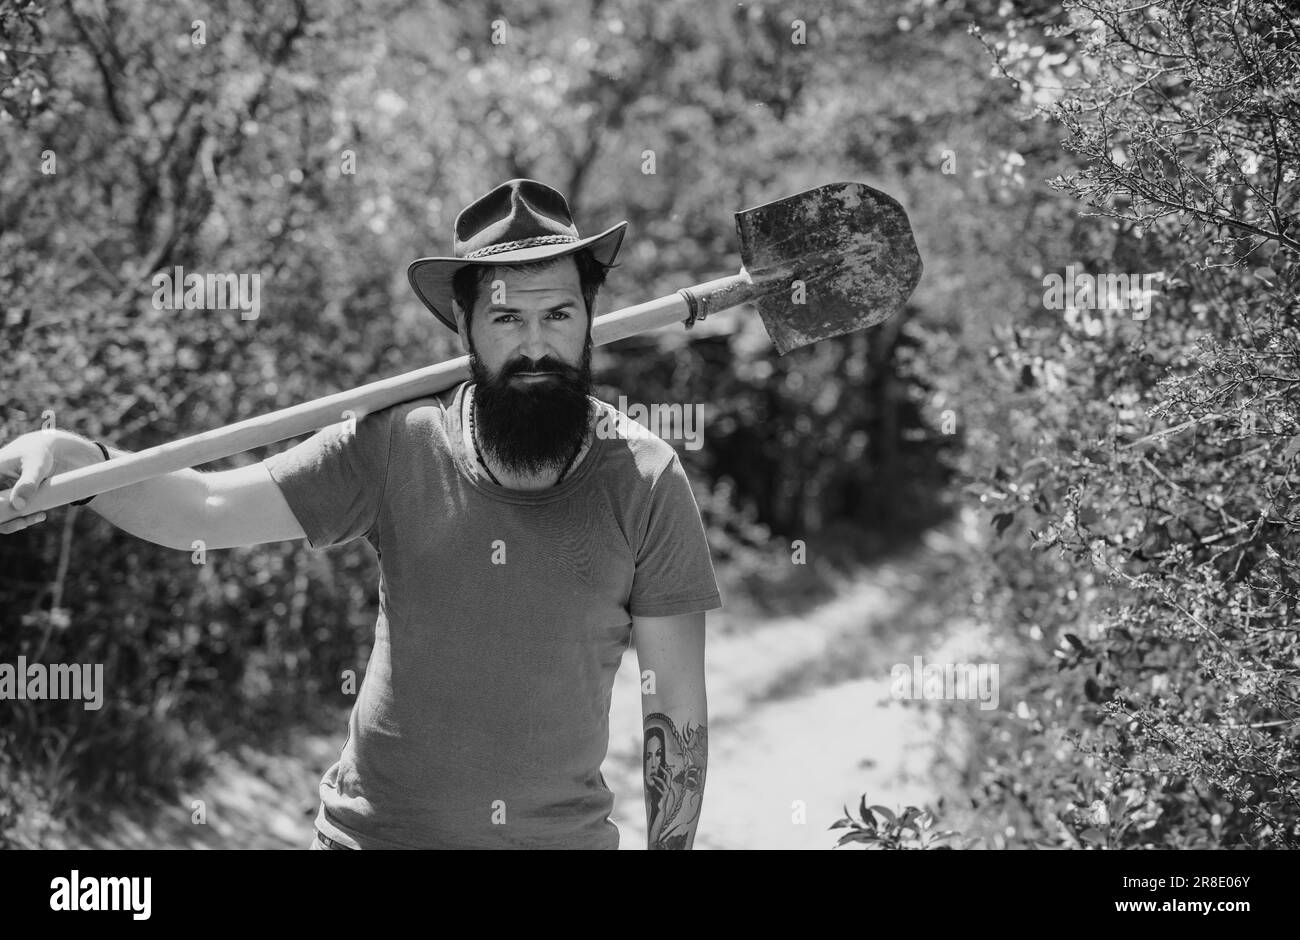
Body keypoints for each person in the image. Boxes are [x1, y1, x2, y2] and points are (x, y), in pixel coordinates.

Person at [0, 178, 721, 849]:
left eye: (559, 313)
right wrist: (72, 457)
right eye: (506, 316)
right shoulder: (395, 444)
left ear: (591, 317)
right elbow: (207, 507)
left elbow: (676, 714)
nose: (536, 345)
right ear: (463, 327)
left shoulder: (645, 477)